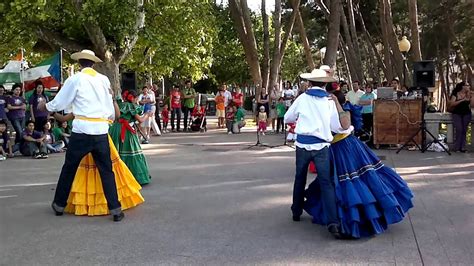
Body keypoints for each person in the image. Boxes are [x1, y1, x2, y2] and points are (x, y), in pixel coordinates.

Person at [304, 90, 414, 239]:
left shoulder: (340, 109)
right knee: (350, 180)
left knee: (349, 181)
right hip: (344, 147)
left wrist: (336, 104)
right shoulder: (329, 111)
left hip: (344, 148)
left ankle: (356, 220)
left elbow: (345, 125)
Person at [38, 49, 124, 222]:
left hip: (81, 131)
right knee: (106, 171)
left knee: (69, 168)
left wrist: (46, 107)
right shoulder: (103, 79)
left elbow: (61, 101)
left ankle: (59, 205)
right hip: (100, 130)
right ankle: (115, 209)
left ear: (79, 63)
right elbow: (110, 105)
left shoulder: (75, 79)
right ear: (93, 63)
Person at [284, 66, 351, 239]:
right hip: (322, 147)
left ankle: (296, 210)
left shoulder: (302, 98)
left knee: (300, 177)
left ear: (309, 82)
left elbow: (288, 118)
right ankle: (333, 223)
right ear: (324, 84)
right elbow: (337, 127)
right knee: (326, 183)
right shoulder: (329, 101)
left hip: (302, 145)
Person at [109, 90, 152, 185]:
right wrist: (147, 114)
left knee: (116, 152)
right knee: (131, 152)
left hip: (115, 129)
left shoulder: (120, 104)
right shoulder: (131, 106)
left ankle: (117, 177)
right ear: (134, 98)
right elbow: (140, 120)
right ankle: (133, 177)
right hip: (126, 131)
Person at [448, 82, 473, 153]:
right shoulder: (456, 94)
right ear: (463, 86)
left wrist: (472, 97)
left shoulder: (469, 94)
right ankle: (457, 147)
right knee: (459, 129)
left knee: (464, 130)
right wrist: (462, 100)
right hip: (457, 114)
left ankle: (463, 147)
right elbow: (452, 104)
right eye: (467, 85)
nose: (469, 86)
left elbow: (471, 105)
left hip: (467, 114)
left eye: (469, 85)